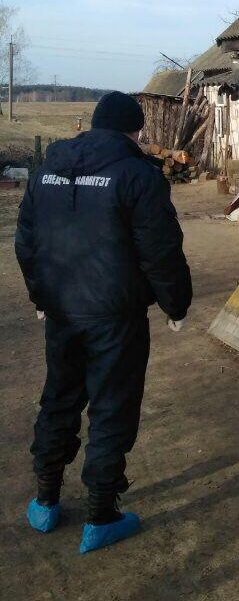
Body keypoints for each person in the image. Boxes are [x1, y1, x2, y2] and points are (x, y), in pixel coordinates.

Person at [15, 91, 192, 554]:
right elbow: (161, 251)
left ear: (94, 125)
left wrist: (40, 296)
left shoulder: (45, 171)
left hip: (62, 312)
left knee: (58, 399)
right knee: (112, 408)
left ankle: (45, 501)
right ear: (135, 131)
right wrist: (176, 305)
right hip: (116, 318)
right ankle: (100, 516)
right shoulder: (139, 175)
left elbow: (27, 243)